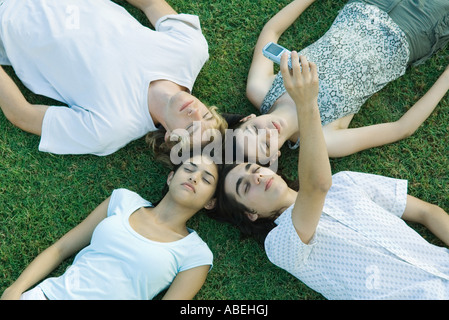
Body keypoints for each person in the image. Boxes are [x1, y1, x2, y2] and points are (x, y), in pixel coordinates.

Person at [212, 52, 449, 299]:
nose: (257, 178)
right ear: (251, 214)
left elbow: (427, 212)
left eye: (254, 169)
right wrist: (306, 105)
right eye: (245, 187)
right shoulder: (280, 246)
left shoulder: (346, 182)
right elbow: (316, 186)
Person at [231, 0, 449, 164]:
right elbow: (402, 128)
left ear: (248, 119)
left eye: (253, 130)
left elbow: (271, 31)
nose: (268, 133)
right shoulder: (324, 140)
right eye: (267, 145)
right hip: (411, 32)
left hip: (365, 5)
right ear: (276, 154)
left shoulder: (260, 88)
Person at [0, 0, 226, 156]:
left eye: (191, 128)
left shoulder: (111, 128)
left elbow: (23, 114)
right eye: (205, 114)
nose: (194, 112)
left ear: (170, 138)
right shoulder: (190, 51)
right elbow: (151, 4)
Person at [1, 154, 218, 300]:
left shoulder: (195, 253)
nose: (194, 177)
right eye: (189, 168)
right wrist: (15, 289)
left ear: (210, 203)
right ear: (171, 177)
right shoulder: (123, 200)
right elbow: (61, 249)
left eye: (206, 180)